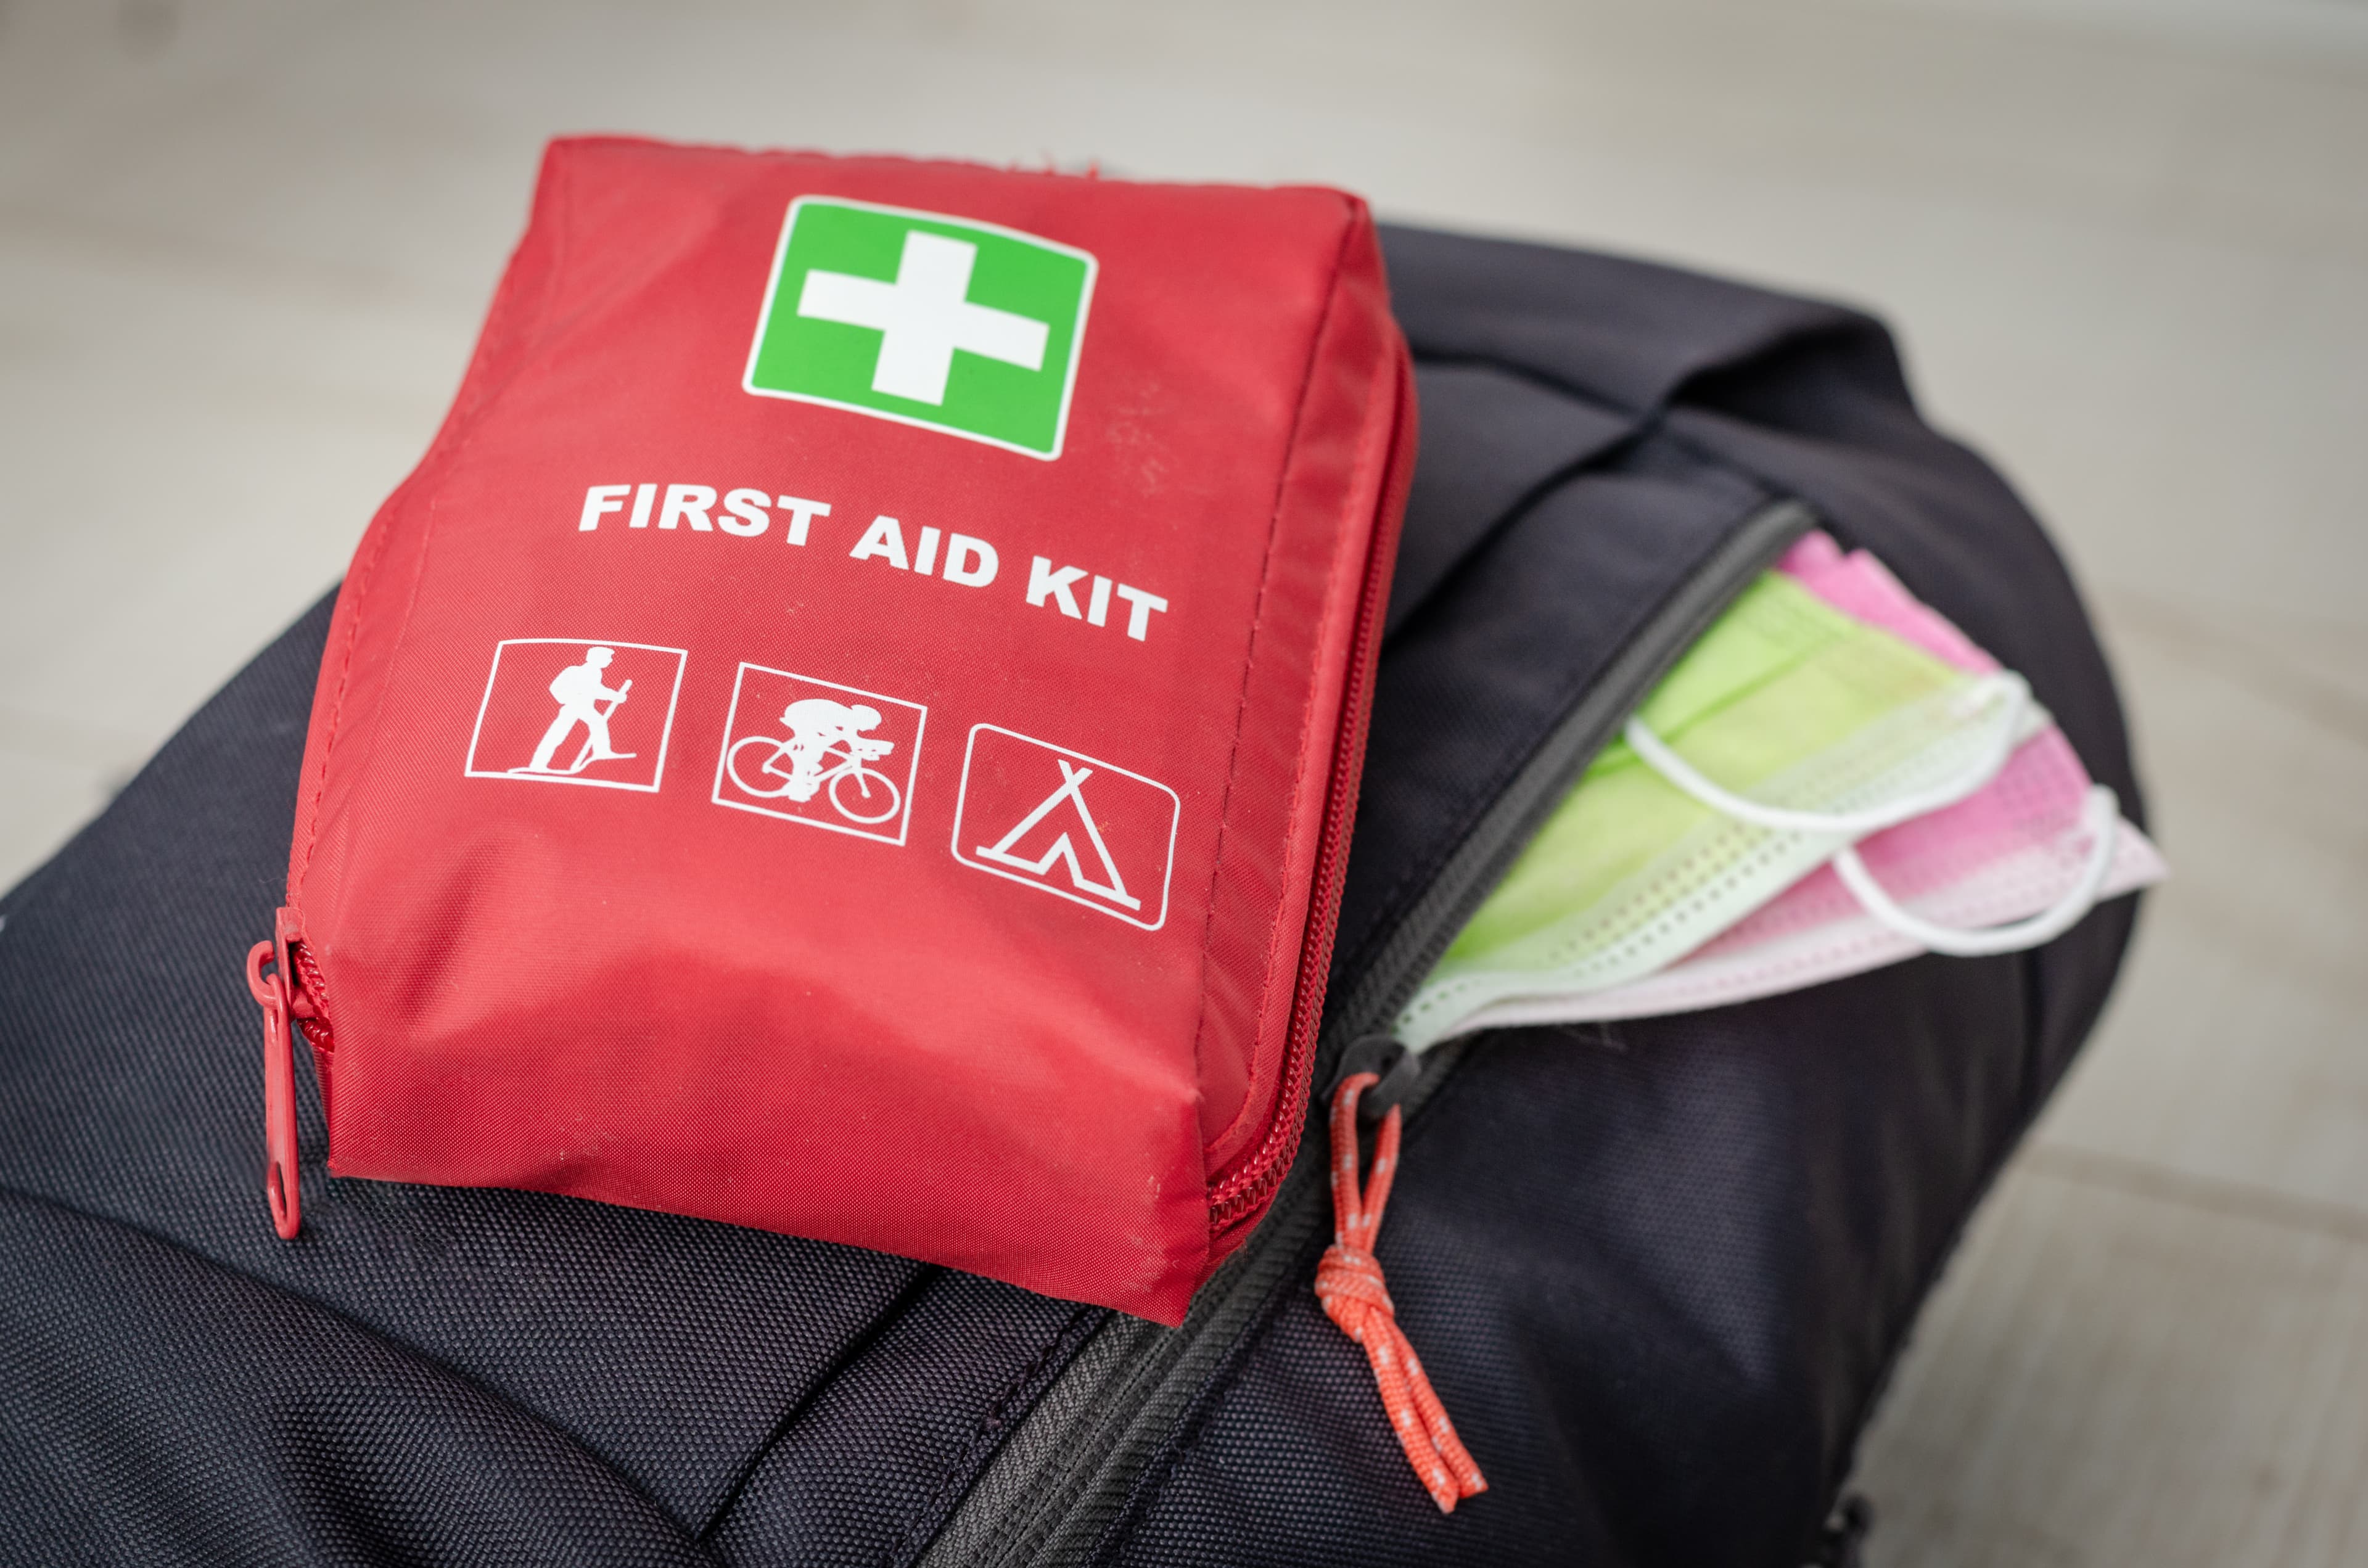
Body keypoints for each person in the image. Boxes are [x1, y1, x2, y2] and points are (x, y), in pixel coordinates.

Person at [520, 647, 632, 773]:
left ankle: (602, 752)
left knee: (598, 723)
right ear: (596, 659)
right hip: (574, 706)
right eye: (608, 658)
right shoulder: (576, 671)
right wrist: (615, 696)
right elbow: (559, 687)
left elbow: (596, 689)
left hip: (584, 707)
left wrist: (614, 696)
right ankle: (537, 765)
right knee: (558, 735)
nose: (611, 661)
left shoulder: (595, 672)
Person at [775, 697, 889, 802]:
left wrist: (869, 750)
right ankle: (796, 785)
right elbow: (851, 740)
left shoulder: (849, 718)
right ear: (864, 720)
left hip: (810, 716)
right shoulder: (849, 718)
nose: (873, 728)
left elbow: (853, 741)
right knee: (818, 745)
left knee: (829, 739)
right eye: (873, 724)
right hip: (800, 714)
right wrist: (871, 750)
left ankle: (809, 763)